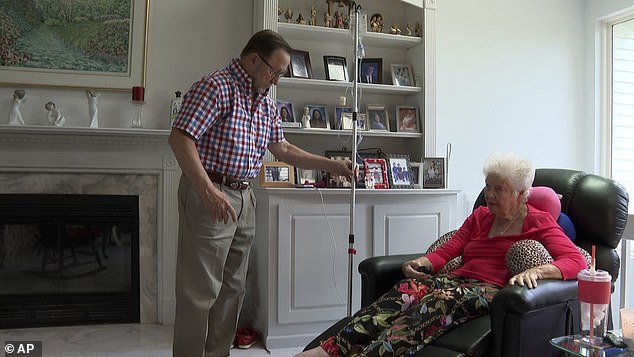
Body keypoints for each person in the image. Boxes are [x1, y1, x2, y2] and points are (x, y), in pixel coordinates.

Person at [168, 29, 355, 357]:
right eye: (275, 71)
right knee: (199, 293)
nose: (277, 80)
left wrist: (332, 165)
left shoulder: (265, 102)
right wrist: (208, 191)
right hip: (210, 193)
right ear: (253, 58)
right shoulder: (216, 87)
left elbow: (282, 148)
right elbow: (181, 139)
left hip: (244, 198)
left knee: (232, 291)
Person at [298, 152, 587, 357]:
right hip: (457, 281)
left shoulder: (538, 221)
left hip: (490, 291)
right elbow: (451, 248)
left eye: (499, 189)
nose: (490, 195)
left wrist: (537, 271)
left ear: (522, 194)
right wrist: (423, 262)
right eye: (488, 186)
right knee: (406, 289)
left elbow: (576, 260)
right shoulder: (481, 217)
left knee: (439, 301)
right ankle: (331, 349)